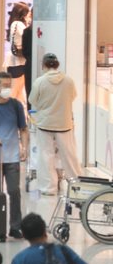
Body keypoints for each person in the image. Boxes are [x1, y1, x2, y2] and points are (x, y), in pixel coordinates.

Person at [28, 53, 82, 195]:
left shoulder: (39, 81)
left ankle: (48, 188)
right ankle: (77, 185)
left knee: (46, 155)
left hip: (45, 123)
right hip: (64, 124)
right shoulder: (69, 81)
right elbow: (73, 96)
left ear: (44, 65)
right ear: (57, 65)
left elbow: (33, 100)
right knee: (69, 155)